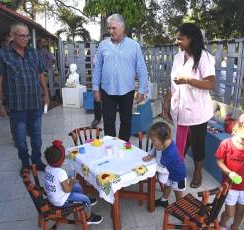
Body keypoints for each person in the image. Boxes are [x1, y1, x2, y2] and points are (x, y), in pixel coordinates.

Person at [0, 22, 50, 175]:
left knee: (36, 137)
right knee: (20, 139)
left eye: (27, 36)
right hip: (17, 106)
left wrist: (46, 94)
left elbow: (40, 75)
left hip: (35, 103)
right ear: (12, 36)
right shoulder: (2, 55)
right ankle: (25, 163)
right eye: (21, 35)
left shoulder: (33, 53)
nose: (25, 38)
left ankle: (37, 161)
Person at [166, 23, 215, 188]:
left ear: (191, 39)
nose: (178, 41)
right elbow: (172, 82)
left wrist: (188, 80)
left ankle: (198, 172)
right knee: (181, 140)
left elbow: (210, 84)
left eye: (181, 39)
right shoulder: (178, 57)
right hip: (179, 108)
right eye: (177, 38)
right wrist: (167, 101)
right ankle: (178, 167)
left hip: (197, 110)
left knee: (197, 142)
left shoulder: (204, 57)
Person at [92, 13, 148, 142]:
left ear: (122, 27)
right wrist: (95, 88)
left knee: (126, 121)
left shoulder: (134, 46)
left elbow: (141, 69)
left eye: (114, 28)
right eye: (109, 28)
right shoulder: (103, 45)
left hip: (127, 90)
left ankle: (123, 147)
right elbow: (98, 68)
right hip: (107, 90)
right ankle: (110, 148)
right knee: (108, 122)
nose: (111, 31)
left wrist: (142, 90)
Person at [43, 140, 103, 225]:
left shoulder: (48, 168)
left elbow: (58, 181)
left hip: (55, 195)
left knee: (78, 187)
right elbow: (67, 190)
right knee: (85, 199)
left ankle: (84, 199)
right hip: (61, 201)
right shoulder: (60, 172)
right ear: (61, 160)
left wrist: (71, 181)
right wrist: (72, 182)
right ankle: (88, 217)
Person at [142, 122, 186, 208]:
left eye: (154, 140)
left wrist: (158, 150)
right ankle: (164, 201)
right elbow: (155, 148)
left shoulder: (169, 152)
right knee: (167, 185)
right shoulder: (165, 143)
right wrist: (151, 155)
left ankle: (180, 208)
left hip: (178, 175)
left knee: (178, 191)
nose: (153, 143)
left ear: (162, 139)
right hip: (170, 172)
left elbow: (160, 164)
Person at [91, 32, 111, 128]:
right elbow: (95, 63)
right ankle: (97, 118)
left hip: (112, 82)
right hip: (100, 80)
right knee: (97, 100)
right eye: (105, 40)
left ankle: (110, 117)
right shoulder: (100, 51)